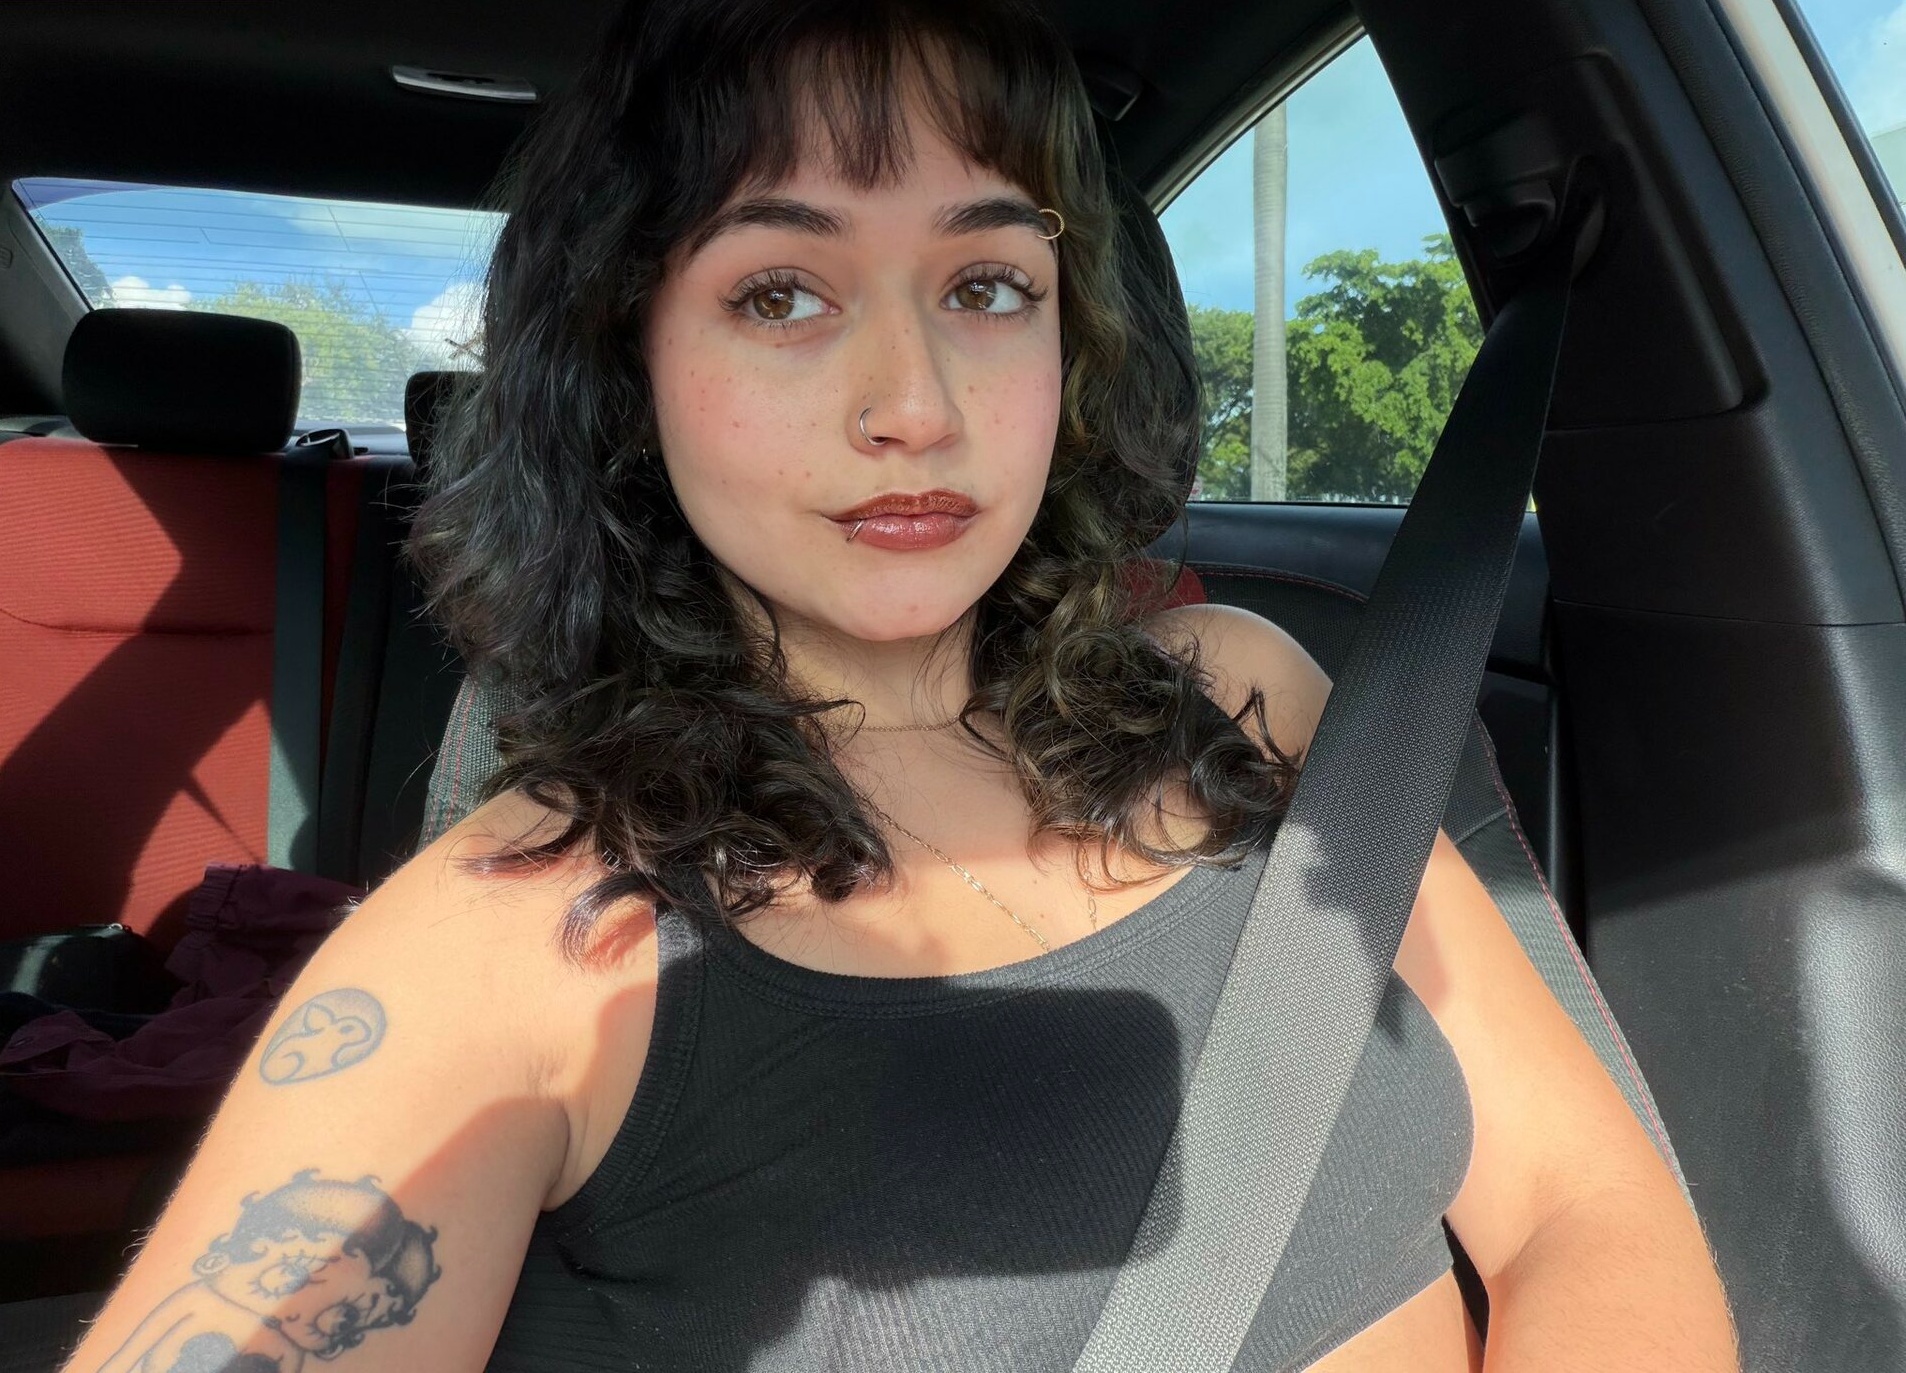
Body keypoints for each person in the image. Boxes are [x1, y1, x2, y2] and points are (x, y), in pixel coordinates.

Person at [62, 0, 1737, 1369]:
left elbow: (1582, 1207)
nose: (914, 403)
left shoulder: (1254, 696)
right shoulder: (515, 939)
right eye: (780, 293)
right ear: (629, 367)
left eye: (986, 285)